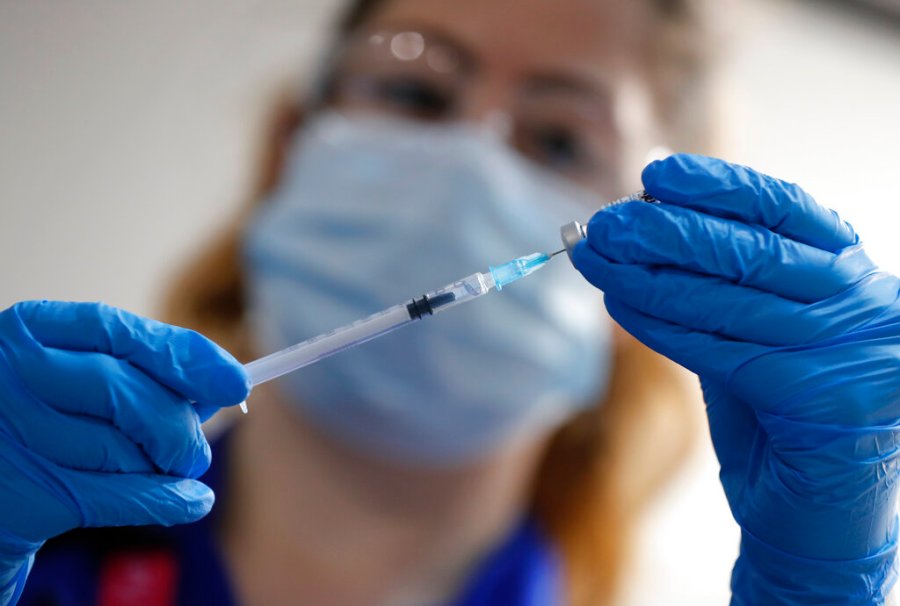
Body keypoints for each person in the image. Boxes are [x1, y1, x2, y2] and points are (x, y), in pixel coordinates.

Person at [0, 3, 897, 606]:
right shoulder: (36, 532)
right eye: (415, 91)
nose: (469, 162)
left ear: (657, 273)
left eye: (557, 138)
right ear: (288, 149)